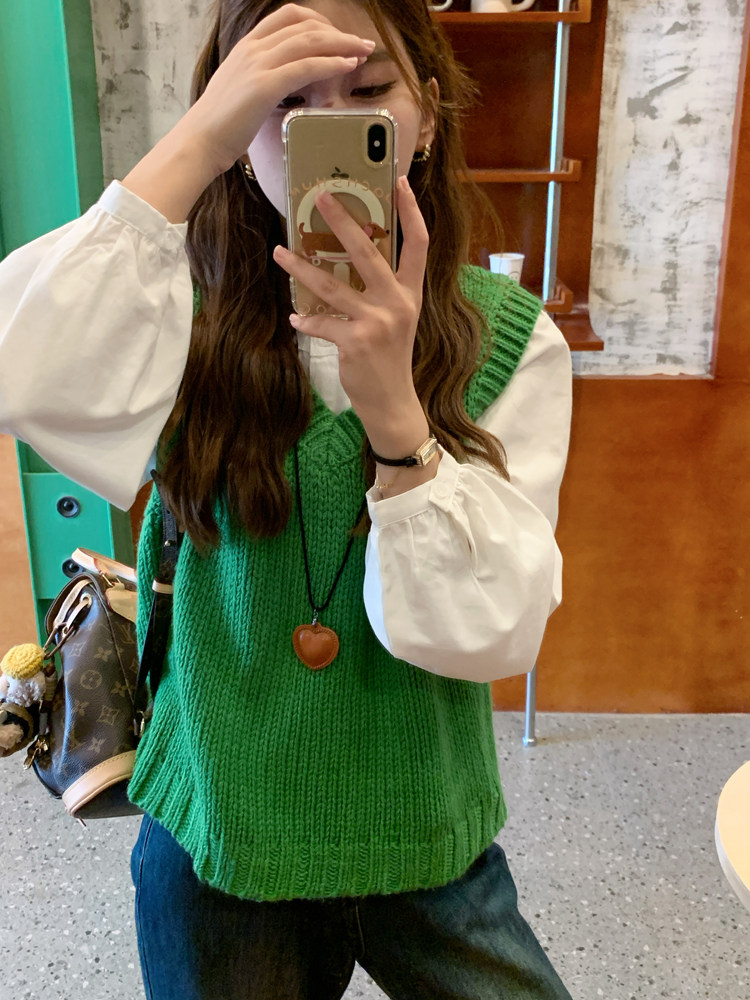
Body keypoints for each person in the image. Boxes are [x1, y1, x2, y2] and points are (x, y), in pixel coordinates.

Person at [0, 0, 574, 997]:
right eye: (283, 102)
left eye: (368, 92)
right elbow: (19, 367)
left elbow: (490, 634)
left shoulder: (510, 339)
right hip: (221, 831)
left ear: (425, 116)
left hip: (423, 822)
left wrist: (395, 414)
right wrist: (199, 141)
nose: (328, 130)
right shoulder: (173, 311)